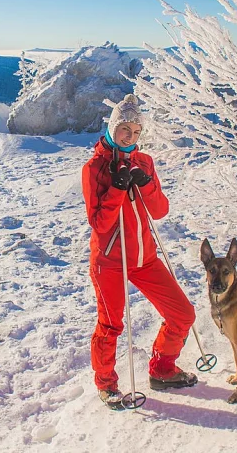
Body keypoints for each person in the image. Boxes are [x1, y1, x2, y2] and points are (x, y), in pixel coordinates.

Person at [81, 93, 197, 408]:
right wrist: (118, 188)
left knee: (182, 314)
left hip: (145, 260)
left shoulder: (144, 162)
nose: (130, 137)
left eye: (135, 132)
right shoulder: (94, 168)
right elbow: (100, 223)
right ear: (112, 128)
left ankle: (162, 370)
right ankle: (106, 386)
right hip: (110, 262)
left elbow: (159, 210)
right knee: (111, 325)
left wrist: (143, 182)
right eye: (124, 130)